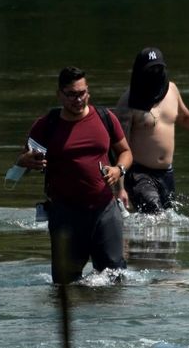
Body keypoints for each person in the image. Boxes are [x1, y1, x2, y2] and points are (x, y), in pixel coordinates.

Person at [13, 66, 133, 284]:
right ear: (59, 94)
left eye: (82, 93)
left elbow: (125, 152)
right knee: (66, 285)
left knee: (116, 279)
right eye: (71, 95)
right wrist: (25, 162)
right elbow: (23, 161)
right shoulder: (46, 125)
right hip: (65, 214)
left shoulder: (105, 118)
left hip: (105, 210)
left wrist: (118, 170)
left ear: (88, 91)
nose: (78, 100)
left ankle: (112, 319)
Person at [115, 47, 189, 214]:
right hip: (140, 173)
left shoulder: (172, 90)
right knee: (155, 213)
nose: (155, 73)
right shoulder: (128, 102)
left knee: (167, 223)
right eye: (150, 70)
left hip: (167, 173)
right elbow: (119, 148)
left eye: (158, 69)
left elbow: (184, 118)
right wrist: (120, 188)